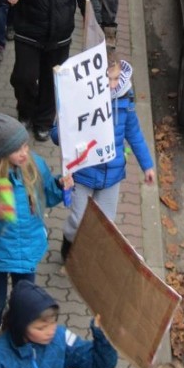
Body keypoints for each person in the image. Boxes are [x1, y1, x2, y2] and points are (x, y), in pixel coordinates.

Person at [0, 110, 71, 344]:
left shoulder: (34, 164)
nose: (25, 152)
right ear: (2, 152)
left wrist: (59, 185)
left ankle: (17, 337)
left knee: (24, 299)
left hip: (27, 249)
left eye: (25, 145)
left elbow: (48, 197)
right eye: (18, 149)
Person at [0, 0, 101, 141]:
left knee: (52, 81)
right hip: (28, 31)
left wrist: (96, 20)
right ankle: (26, 109)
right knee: (23, 77)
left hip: (60, 36)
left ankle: (44, 121)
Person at [53, 57, 155, 260]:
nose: (113, 85)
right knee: (78, 219)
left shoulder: (125, 102)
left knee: (106, 223)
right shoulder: (80, 101)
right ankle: (69, 244)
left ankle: (91, 259)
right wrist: (63, 125)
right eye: (108, 79)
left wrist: (148, 166)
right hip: (84, 172)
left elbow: (134, 134)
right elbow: (56, 136)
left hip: (112, 175)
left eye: (117, 79)